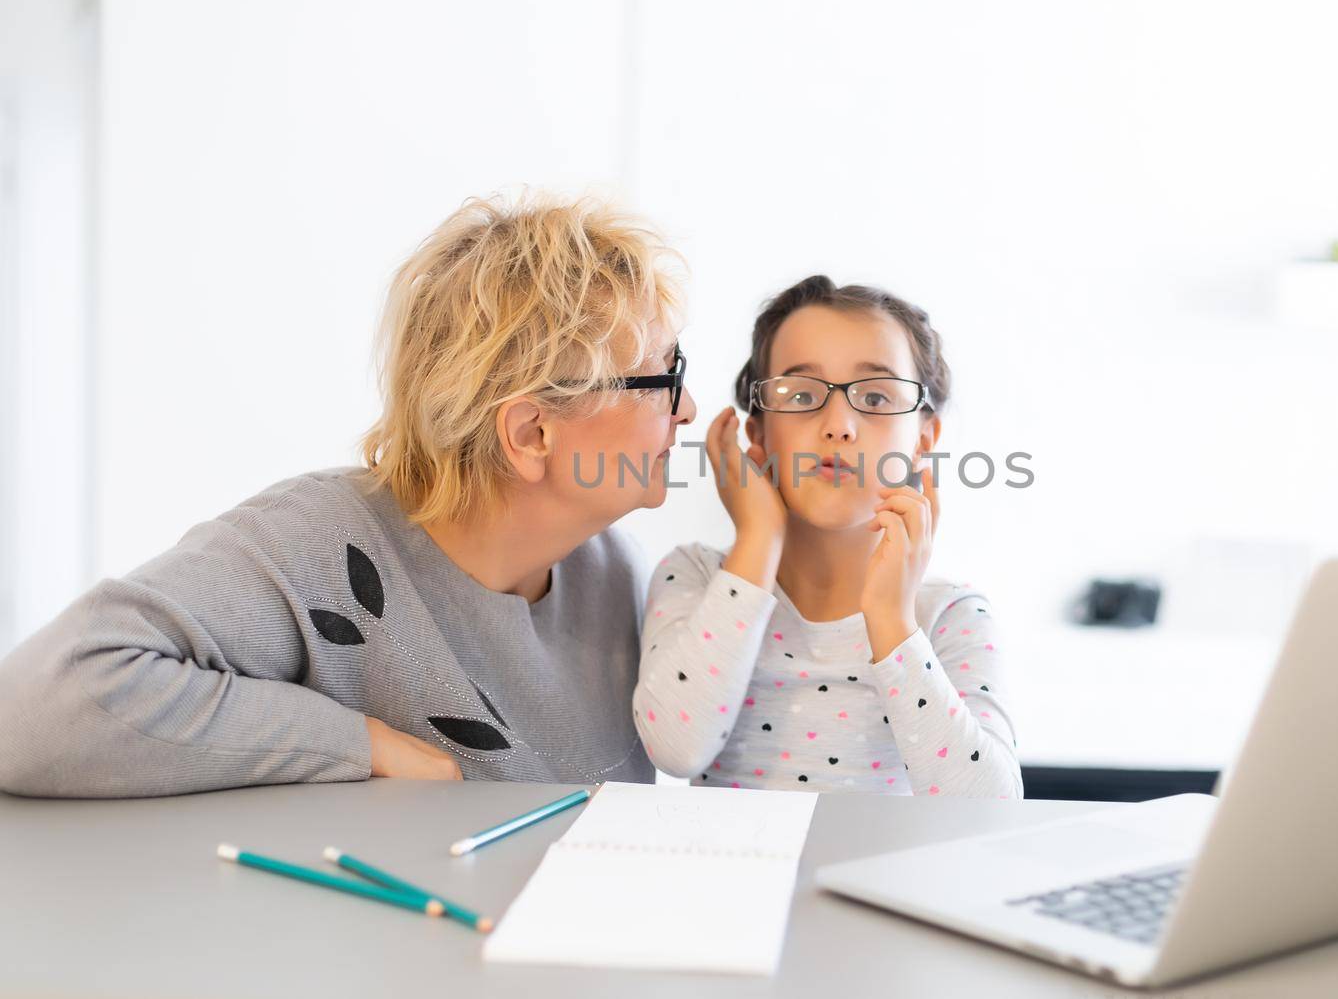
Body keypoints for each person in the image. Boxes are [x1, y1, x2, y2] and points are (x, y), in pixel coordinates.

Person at [0, 193, 697, 797]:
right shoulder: (313, 544)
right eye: (662, 378)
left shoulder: (612, 572)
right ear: (532, 433)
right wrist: (363, 745)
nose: (688, 407)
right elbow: (34, 708)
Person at [633, 275, 1022, 797]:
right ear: (758, 434)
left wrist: (890, 618)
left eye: (877, 397)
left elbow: (987, 806)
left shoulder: (951, 615)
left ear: (924, 439)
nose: (838, 424)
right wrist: (758, 541)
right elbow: (677, 749)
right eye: (800, 394)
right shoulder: (698, 578)